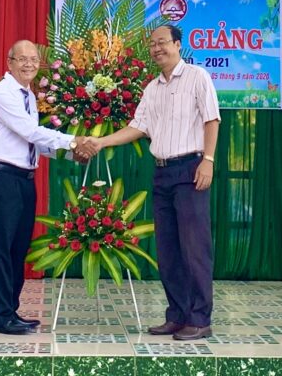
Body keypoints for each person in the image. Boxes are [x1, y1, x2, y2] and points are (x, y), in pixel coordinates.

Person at [77, 24, 220, 341]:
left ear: (178, 44)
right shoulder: (152, 88)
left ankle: (200, 319)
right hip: (162, 173)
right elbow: (138, 127)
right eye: (152, 44)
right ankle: (177, 315)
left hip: (190, 169)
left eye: (162, 42)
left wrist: (208, 160)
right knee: (168, 250)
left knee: (194, 248)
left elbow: (212, 119)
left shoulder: (198, 77)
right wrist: (101, 142)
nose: (157, 48)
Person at [0, 39, 90, 335]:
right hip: (3, 179)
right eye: (22, 59)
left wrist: (72, 154)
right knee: (1, 249)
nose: (29, 64)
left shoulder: (27, 95)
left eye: (33, 59)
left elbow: (34, 143)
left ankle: (10, 311)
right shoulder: (4, 93)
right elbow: (31, 132)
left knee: (17, 248)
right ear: (10, 62)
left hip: (23, 180)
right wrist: (74, 141)